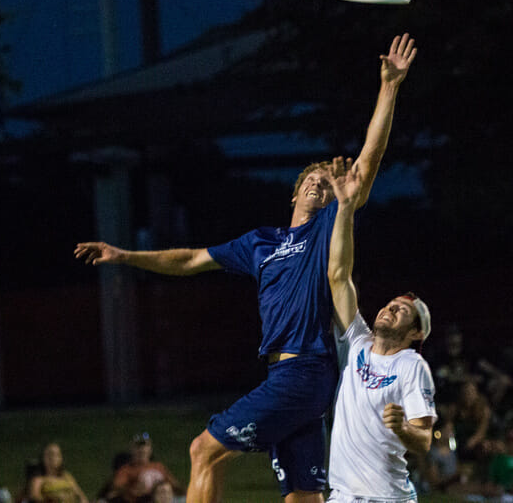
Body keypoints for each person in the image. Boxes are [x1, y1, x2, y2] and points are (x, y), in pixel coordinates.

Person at [75, 32, 418, 503]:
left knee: (203, 450)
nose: (321, 184)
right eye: (311, 181)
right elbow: (192, 259)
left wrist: (389, 87)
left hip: (305, 373)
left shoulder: (325, 230)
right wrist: (126, 256)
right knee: (304, 497)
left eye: (326, 181)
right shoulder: (260, 242)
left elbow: (369, 159)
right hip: (285, 378)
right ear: (294, 194)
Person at [322, 156, 436, 502]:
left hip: (386, 497)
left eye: (402, 311)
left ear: (416, 333)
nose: (390, 309)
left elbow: (424, 441)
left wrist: (402, 427)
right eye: (391, 304)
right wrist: (345, 207)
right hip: (342, 495)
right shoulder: (357, 341)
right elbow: (338, 275)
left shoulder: (411, 367)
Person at [104, 434, 183, 503]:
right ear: (132, 449)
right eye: (138, 447)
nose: (141, 450)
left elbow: (175, 485)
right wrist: (133, 490)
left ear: (150, 449)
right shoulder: (127, 470)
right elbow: (116, 489)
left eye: (144, 447)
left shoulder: (158, 467)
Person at [442, 379, 504, 464]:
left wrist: (472, 441)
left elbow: (481, 431)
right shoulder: (455, 408)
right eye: (466, 392)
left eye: (471, 392)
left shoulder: (483, 409)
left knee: (490, 447)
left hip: (478, 439)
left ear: (476, 394)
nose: (468, 395)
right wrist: (450, 436)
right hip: (459, 439)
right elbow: (448, 425)